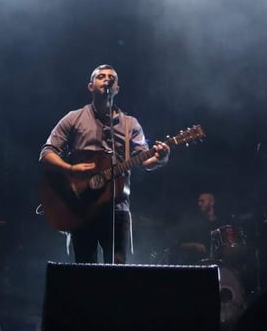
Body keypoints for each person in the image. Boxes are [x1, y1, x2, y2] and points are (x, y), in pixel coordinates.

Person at [40, 64, 171, 264]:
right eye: (101, 76)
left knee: (117, 269)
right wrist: (71, 169)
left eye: (112, 77)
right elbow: (47, 153)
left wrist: (160, 159)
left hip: (117, 207)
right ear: (91, 86)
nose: (107, 79)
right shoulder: (73, 118)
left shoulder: (131, 124)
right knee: (85, 268)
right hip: (82, 206)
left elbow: (146, 160)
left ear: (117, 88)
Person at [176, 191, 224, 263]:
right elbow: (180, 245)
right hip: (198, 263)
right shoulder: (193, 223)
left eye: (202, 201)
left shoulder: (221, 222)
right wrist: (195, 245)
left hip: (220, 262)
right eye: (199, 201)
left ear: (212, 202)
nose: (199, 204)